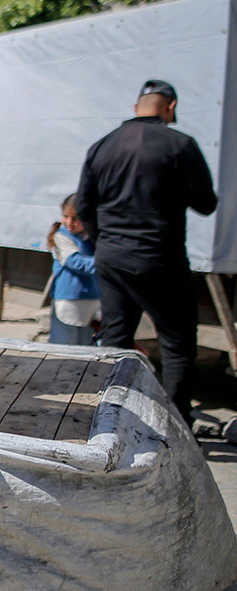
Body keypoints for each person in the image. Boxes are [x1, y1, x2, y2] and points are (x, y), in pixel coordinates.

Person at [75, 80, 218, 421]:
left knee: (116, 340)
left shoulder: (102, 145)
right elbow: (206, 203)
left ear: (137, 105)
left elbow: (83, 206)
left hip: (112, 256)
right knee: (177, 344)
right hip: (160, 257)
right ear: (170, 107)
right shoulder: (180, 144)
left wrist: (103, 241)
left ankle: (113, 421)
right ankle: (177, 427)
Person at [47, 194, 99, 345]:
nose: (70, 223)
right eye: (66, 216)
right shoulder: (61, 237)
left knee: (85, 350)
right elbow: (77, 263)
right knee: (63, 349)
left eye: (76, 218)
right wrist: (106, 262)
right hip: (68, 300)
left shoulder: (92, 237)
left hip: (91, 300)